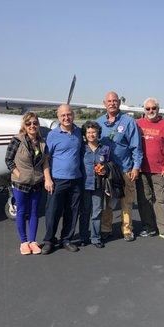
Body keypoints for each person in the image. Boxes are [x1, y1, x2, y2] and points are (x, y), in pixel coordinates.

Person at [96, 92, 143, 242]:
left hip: (125, 169)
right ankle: (106, 228)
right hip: (107, 171)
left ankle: (127, 229)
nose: (112, 103)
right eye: (109, 101)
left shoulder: (128, 122)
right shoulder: (99, 122)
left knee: (126, 202)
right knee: (108, 202)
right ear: (104, 103)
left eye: (115, 101)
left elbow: (136, 146)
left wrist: (136, 167)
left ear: (119, 103)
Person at [5, 112, 53, 255]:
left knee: (34, 213)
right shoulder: (17, 140)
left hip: (37, 183)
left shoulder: (42, 143)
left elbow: (45, 162)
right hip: (21, 184)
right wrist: (20, 175)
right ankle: (24, 242)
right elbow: (8, 160)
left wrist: (47, 179)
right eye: (29, 123)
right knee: (21, 211)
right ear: (24, 126)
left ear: (38, 125)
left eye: (35, 123)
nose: (32, 126)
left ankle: (33, 241)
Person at [41, 104, 84, 254]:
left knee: (72, 212)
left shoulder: (79, 132)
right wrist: (48, 179)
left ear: (73, 115)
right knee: (53, 212)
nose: (66, 118)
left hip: (76, 179)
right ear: (58, 117)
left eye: (69, 114)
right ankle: (49, 240)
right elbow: (46, 159)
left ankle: (66, 239)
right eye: (63, 115)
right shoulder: (53, 135)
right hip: (58, 180)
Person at [135, 98, 164, 241]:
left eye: (153, 108)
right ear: (144, 110)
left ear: (158, 109)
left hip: (159, 170)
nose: (151, 111)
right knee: (144, 200)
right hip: (141, 170)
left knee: (161, 200)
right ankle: (149, 227)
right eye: (148, 109)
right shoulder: (137, 124)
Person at [78, 121, 110, 249]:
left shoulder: (105, 149)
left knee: (96, 212)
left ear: (98, 133)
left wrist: (105, 170)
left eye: (94, 132)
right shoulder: (81, 148)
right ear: (85, 134)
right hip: (84, 185)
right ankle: (83, 237)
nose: (91, 135)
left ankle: (95, 238)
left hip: (98, 185)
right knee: (84, 212)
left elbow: (109, 165)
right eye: (89, 132)